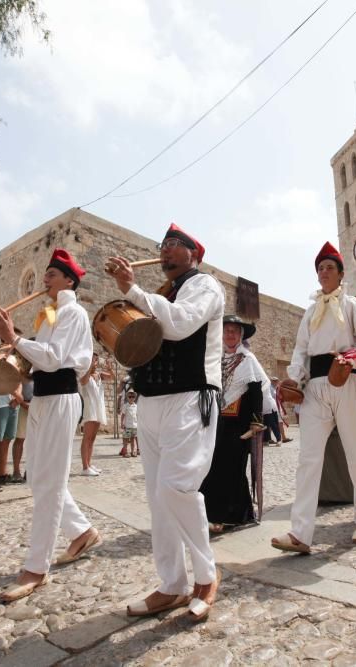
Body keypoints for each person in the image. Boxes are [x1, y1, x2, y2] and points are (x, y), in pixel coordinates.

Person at [104, 223, 224, 622]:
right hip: (153, 403)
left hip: (191, 398)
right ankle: (171, 584)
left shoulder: (205, 286)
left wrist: (133, 291)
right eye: (164, 245)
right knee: (158, 500)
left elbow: (179, 325)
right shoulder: (160, 294)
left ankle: (206, 576)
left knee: (177, 487)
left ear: (195, 254)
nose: (167, 251)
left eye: (176, 245)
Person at [0, 248, 101, 603]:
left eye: (51, 274)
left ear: (69, 280)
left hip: (61, 398)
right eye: (45, 274)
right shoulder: (50, 315)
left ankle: (36, 569)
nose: (45, 280)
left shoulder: (73, 312)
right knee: (37, 476)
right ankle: (81, 532)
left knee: (50, 484)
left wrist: (13, 337)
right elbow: (39, 360)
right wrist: (11, 348)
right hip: (42, 399)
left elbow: (53, 360)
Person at [272, 242, 356, 554]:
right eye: (319, 268)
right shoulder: (310, 312)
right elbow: (300, 351)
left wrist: (349, 357)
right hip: (315, 389)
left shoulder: (352, 306)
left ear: (341, 273)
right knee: (308, 459)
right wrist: (295, 377)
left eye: (329, 267)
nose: (323, 272)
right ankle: (300, 533)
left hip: (347, 381)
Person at [201, 315, 268, 533]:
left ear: (240, 335)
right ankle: (240, 514)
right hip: (215, 422)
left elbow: (256, 391)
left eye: (234, 331)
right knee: (213, 468)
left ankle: (221, 517)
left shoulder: (248, 360)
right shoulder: (215, 360)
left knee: (232, 469)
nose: (230, 334)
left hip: (238, 425)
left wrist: (256, 421)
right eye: (226, 330)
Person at [78, 353, 109, 476]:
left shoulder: (99, 375)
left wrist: (110, 368)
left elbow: (113, 377)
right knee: (87, 437)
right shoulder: (84, 374)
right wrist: (89, 366)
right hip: (89, 408)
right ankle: (85, 467)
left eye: (96, 360)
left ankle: (89, 464)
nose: (95, 362)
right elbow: (84, 382)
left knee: (92, 439)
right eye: (93, 360)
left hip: (98, 408)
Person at [11, 375, 32, 482]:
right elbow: (15, 387)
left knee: (36, 442)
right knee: (20, 439)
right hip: (24, 406)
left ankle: (31, 470)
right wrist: (23, 404)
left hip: (39, 406)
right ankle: (16, 471)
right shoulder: (22, 371)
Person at [120, 390, 139, 457]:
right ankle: (125, 452)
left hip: (134, 425)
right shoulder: (125, 406)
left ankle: (132, 451)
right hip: (127, 425)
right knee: (126, 439)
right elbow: (123, 415)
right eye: (130, 396)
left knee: (133, 439)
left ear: (135, 398)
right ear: (127, 397)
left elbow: (137, 415)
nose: (131, 398)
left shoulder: (136, 406)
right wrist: (122, 423)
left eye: (133, 396)